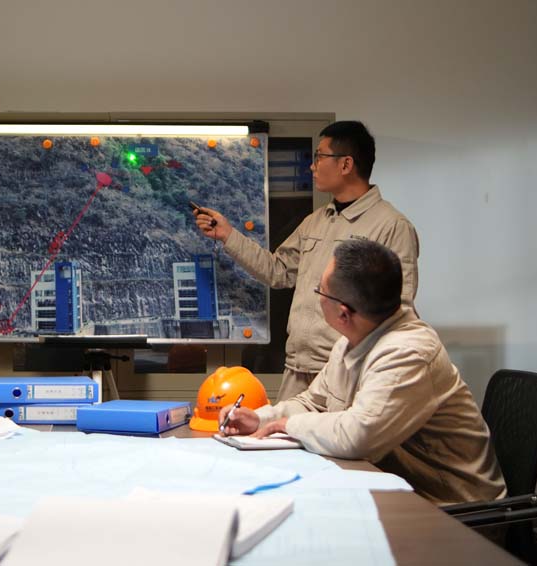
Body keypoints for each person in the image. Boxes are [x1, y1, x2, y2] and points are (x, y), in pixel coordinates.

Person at [220, 240, 504, 505]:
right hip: (398, 491)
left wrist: (287, 425)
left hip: (454, 510)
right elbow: (313, 402)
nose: (317, 297)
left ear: (343, 313)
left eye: (319, 290)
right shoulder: (354, 340)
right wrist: (261, 419)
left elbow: (357, 437)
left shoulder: (408, 353)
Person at [194, 120, 419, 401]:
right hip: (297, 370)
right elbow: (277, 271)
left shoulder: (391, 226)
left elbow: (399, 311)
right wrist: (227, 235)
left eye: (319, 157)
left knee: (340, 433)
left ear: (346, 164)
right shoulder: (315, 222)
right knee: (279, 428)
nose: (312, 166)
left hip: (348, 373)